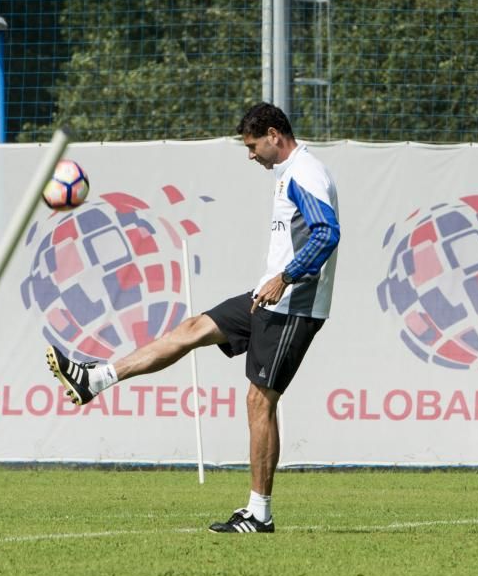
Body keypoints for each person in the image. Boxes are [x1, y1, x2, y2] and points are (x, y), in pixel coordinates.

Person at [46, 102, 340, 534]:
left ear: (275, 135)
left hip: (293, 306)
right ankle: (97, 379)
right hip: (268, 296)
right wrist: (273, 281)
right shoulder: (288, 174)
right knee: (192, 329)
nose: (251, 155)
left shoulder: (306, 173)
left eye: (253, 145)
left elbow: (326, 233)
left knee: (260, 400)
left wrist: (286, 277)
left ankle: (259, 514)